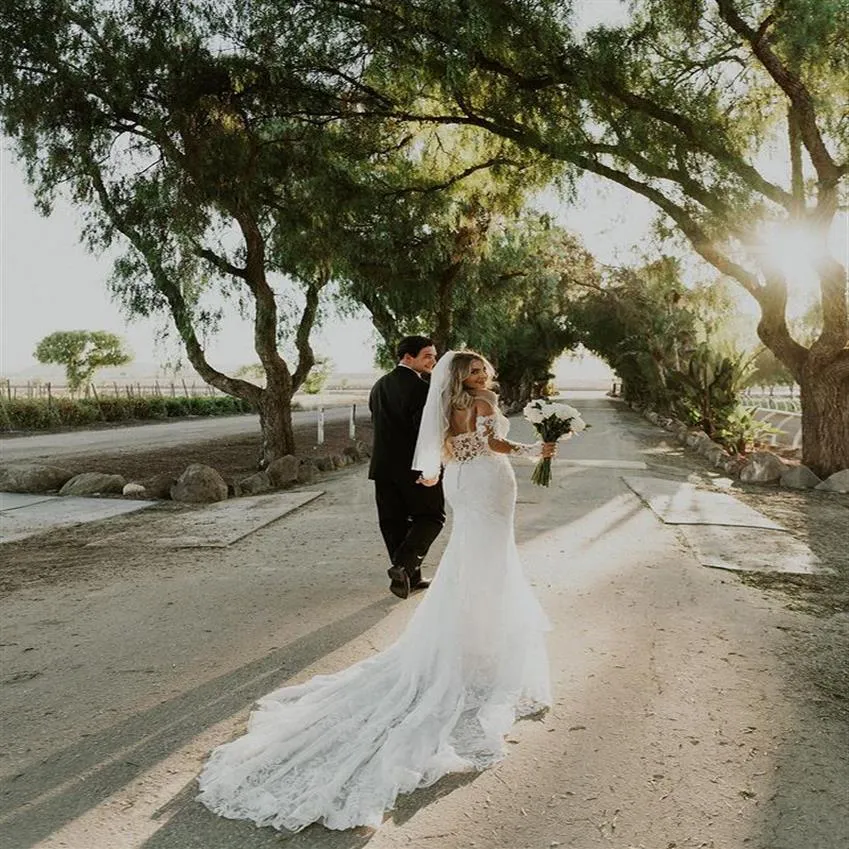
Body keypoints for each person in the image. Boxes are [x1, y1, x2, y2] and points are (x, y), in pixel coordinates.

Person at [196, 350, 559, 833]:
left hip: (464, 484)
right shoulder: (486, 401)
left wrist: (464, 458)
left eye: (482, 370)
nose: (483, 375)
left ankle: (470, 636)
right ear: (466, 375)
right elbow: (495, 449)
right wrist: (541, 450)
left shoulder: (444, 403)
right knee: (487, 560)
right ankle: (483, 644)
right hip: (490, 483)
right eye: (476, 370)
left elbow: (451, 451)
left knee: (471, 559)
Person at [368, 335, 445, 599]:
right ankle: (403, 565)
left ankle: (409, 576)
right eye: (428, 356)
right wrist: (433, 467)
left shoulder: (378, 386)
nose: (433, 361)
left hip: (382, 468)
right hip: (414, 468)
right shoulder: (423, 389)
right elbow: (425, 433)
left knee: (393, 522)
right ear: (407, 357)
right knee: (432, 517)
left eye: (434, 356)